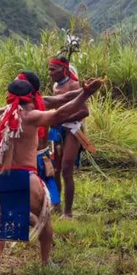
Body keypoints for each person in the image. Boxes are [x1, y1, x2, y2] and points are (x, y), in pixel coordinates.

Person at [0, 77, 102, 275]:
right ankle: (45, 261)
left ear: (9, 98)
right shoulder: (31, 117)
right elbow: (60, 114)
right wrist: (86, 94)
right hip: (27, 177)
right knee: (45, 221)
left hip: (3, 180)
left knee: (0, 224)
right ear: (30, 97)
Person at [0, 70, 87, 212]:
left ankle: (56, 207)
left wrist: (86, 91)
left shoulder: (41, 103)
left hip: (40, 156)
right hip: (22, 162)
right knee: (30, 194)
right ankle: (35, 213)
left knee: (49, 183)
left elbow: (64, 100)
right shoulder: (13, 111)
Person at [47, 55, 88, 218]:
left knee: (66, 169)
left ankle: (68, 212)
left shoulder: (74, 85)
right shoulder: (56, 86)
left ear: (63, 70)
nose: (50, 73)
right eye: (49, 69)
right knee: (54, 170)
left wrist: (63, 118)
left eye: (53, 69)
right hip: (57, 130)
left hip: (73, 129)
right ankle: (56, 205)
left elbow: (84, 111)